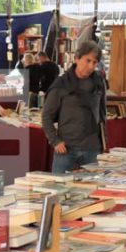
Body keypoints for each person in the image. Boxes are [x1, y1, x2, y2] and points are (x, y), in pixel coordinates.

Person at [42, 41, 107, 174]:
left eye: (94, 62)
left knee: (93, 186)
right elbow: (46, 116)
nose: (91, 66)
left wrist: (103, 142)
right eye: (87, 60)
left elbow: (102, 113)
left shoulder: (99, 82)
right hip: (66, 148)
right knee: (58, 185)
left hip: (92, 148)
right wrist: (55, 141)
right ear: (76, 58)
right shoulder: (61, 84)